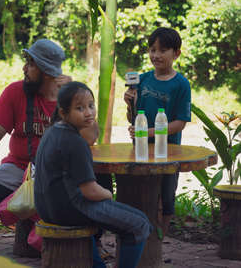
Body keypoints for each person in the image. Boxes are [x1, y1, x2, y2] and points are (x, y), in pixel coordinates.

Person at [0, 38, 71, 253]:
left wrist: (69, 100)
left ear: (47, 71)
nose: (24, 68)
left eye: (31, 64)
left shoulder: (70, 95)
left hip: (57, 174)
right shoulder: (15, 92)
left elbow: (91, 138)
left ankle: (88, 247)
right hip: (18, 168)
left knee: (99, 184)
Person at [34, 81, 152, 268]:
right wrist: (108, 195)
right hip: (69, 209)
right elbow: (90, 192)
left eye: (91, 105)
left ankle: (97, 264)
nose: (88, 112)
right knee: (140, 223)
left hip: (46, 208)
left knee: (122, 216)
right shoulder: (75, 141)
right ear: (64, 113)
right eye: (79, 108)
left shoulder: (52, 132)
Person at [124, 27, 191, 237]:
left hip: (168, 151)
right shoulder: (141, 79)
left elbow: (180, 123)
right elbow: (134, 119)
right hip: (141, 150)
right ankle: (141, 233)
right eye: (152, 50)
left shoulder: (181, 84)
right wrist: (129, 105)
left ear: (176, 53)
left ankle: (161, 238)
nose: (156, 55)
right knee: (141, 192)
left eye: (163, 50)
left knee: (167, 195)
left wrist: (148, 132)